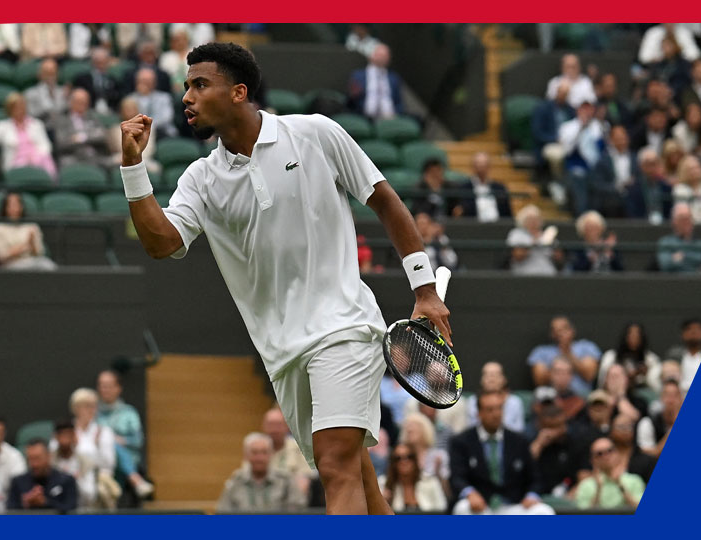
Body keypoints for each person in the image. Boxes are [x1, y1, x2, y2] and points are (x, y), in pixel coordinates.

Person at [119, 42, 452, 514]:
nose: (186, 98)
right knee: (356, 473)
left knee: (336, 466)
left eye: (199, 85)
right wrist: (133, 168)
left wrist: (424, 289)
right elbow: (161, 243)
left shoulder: (316, 134)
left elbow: (385, 202)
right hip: (282, 352)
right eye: (185, 87)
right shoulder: (200, 179)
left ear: (238, 92)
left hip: (345, 326)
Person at [449, 392, 553, 515]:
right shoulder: (461, 441)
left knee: (544, 511)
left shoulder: (519, 440)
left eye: (499, 408)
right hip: (481, 507)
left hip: (513, 507)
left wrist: (532, 495)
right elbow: (457, 477)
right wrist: (469, 493)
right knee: (463, 508)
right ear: (479, 414)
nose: (496, 414)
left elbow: (536, 478)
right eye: (490, 410)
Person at [96, 370, 154, 498]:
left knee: (112, 442)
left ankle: (130, 477)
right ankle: (135, 480)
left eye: (109, 386)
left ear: (118, 388)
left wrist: (122, 440)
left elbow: (138, 440)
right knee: (108, 441)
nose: (104, 390)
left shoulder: (129, 412)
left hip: (126, 462)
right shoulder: (93, 412)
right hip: (100, 461)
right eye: (102, 386)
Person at [216, 432, 307, 513]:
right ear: (246, 456)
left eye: (264, 452)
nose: (259, 458)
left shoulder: (285, 480)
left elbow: (297, 511)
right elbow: (223, 511)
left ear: (271, 454)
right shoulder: (236, 480)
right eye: (255, 453)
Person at [0, 92, 56, 178]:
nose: (20, 110)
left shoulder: (36, 124)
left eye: (22, 106)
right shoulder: (2, 126)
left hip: (38, 162)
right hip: (14, 165)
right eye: (16, 107)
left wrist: (35, 157)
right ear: (10, 110)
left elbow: (46, 146)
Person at [528, 316, 600, 396]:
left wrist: (567, 353)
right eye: (555, 330)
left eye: (564, 329)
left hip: (581, 397)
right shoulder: (541, 351)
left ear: (572, 331)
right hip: (551, 398)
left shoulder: (586, 347)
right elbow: (539, 381)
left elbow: (589, 375)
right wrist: (558, 372)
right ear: (551, 334)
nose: (560, 333)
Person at [528, 401, 588, 497]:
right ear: (540, 426)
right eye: (550, 427)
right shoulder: (534, 442)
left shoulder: (577, 442)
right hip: (539, 497)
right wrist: (539, 444)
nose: (555, 432)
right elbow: (524, 469)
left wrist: (571, 496)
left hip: (570, 496)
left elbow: (584, 476)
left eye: (559, 426)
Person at [559, 100, 605, 215]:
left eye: (590, 109)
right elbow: (566, 151)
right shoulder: (568, 127)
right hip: (575, 167)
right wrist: (581, 129)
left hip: (596, 169)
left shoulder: (599, 127)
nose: (587, 112)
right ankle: (582, 215)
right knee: (579, 179)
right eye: (584, 109)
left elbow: (601, 151)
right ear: (578, 110)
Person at [7, 439, 78, 512]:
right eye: (30, 459)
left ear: (48, 456)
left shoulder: (66, 481)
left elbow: (71, 511)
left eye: (37, 458)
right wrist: (25, 503)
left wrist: (45, 502)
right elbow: (9, 511)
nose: (34, 464)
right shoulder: (18, 482)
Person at [574, 437, 645, 510]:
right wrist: (598, 489)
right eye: (599, 454)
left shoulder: (634, 480)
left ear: (617, 453)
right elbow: (583, 517)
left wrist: (621, 486)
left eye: (609, 450)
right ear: (593, 460)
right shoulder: (585, 485)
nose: (605, 456)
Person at [0, 192, 55, 270]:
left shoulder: (32, 226)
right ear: (5, 208)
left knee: (49, 265)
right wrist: (24, 246)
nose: (14, 208)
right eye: (10, 205)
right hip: (10, 264)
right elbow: (1, 256)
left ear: (22, 206)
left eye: (17, 204)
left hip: (32, 261)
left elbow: (39, 253)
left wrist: (32, 243)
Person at [50, 420, 106, 509]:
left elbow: (90, 495)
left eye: (68, 435)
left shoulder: (86, 462)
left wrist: (74, 481)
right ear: (56, 437)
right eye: (62, 435)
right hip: (56, 510)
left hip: (81, 510)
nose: (65, 439)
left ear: (74, 436)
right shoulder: (49, 461)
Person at [379, 443, 447, 512]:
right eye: (398, 458)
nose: (404, 461)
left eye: (409, 457)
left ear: (415, 460)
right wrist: (383, 502)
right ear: (393, 463)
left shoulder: (430, 481)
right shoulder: (383, 484)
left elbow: (442, 509)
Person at [261, 407, 311, 497]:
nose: (274, 430)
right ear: (264, 426)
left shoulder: (299, 448)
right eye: (271, 425)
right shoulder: (256, 449)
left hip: (289, 500)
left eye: (278, 425)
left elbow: (304, 481)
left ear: (287, 426)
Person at [589, 125, 638, 218]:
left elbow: (639, 178)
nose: (622, 141)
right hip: (611, 200)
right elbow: (597, 184)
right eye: (618, 138)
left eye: (624, 138)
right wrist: (617, 187)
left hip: (632, 197)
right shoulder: (603, 161)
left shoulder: (635, 158)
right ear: (611, 140)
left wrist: (632, 183)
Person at [598, 323, 663, 392]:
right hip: (613, 393)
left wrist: (645, 374)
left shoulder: (650, 359)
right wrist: (626, 375)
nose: (634, 339)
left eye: (637, 336)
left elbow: (655, 386)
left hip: (641, 393)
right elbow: (601, 383)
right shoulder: (611, 356)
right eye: (631, 335)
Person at [54, 88, 110, 168]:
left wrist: (81, 138)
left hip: (95, 157)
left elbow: (102, 136)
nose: (83, 105)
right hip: (73, 157)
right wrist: (90, 137)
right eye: (79, 102)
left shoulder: (92, 117)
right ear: (71, 102)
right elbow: (61, 143)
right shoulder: (62, 120)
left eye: (85, 102)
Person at [348, 44, 405, 121]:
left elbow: (399, 102)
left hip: (390, 117)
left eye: (385, 55)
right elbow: (350, 101)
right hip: (364, 117)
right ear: (371, 56)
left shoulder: (393, 78)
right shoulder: (358, 75)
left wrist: (396, 113)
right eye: (379, 54)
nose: (382, 58)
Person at [464, 362, 525, 433]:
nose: (491, 378)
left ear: (504, 379)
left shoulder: (515, 402)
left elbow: (519, 431)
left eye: (496, 374)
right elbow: (471, 429)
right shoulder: (472, 401)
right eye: (487, 375)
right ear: (481, 380)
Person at [400, 413, 450, 496]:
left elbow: (447, 491)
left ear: (425, 429)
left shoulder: (439, 456)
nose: (409, 429)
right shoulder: (401, 457)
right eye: (407, 426)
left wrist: (438, 473)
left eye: (415, 425)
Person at [656, 203, 701, 273]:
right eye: (682, 219)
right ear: (674, 222)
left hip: (699, 281)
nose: (687, 222)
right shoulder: (666, 242)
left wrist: (680, 257)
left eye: (689, 218)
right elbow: (665, 265)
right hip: (674, 282)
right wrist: (696, 260)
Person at [532, 80, 576, 175]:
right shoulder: (543, 108)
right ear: (557, 92)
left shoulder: (571, 111)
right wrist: (555, 139)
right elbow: (537, 133)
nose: (563, 96)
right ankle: (558, 180)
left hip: (569, 144)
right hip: (548, 144)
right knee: (557, 155)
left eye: (566, 94)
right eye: (562, 93)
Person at [453, 153, 512, 222]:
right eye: (478, 165)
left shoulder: (499, 188)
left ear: (489, 167)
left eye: (484, 165)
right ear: (473, 167)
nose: (481, 168)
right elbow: (460, 211)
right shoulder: (464, 188)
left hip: (497, 226)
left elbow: (507, 213)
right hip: (473, 226)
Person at [505, 204, 561, 275]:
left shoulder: (546, 235)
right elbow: (518, 256)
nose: (534, 223)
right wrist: (535, 243)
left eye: (536, 219)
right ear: (523, 221)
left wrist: (553, 247)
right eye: (530, 220)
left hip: (548, 273)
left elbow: (559, 258)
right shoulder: (517, 234)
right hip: (526, 274)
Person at [108, 97, 159, 171]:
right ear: (121, 111)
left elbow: (149, 150)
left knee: (154, 167)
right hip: (121, 158)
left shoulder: (148, 127)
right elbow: (120, 149)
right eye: (127, 109)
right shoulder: (115, 129)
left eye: (132, 108)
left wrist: (136, 157)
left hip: (144, 159)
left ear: (137, 110)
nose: (129, 111)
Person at [636, 380, 682, 459]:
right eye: (667, 395)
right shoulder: (647, 423)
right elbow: (649, 455)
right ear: (661, 398)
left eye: (675, 395)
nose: (671, 400)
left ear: (681, 399)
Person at [128, 67, 178, 139]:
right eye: (143, 81)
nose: (145, 84)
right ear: (137, 82)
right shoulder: (131, 99)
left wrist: (147, 126)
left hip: (162, 134)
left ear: (155, 82)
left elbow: (166, 118)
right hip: (138, 133)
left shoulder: (164, 98)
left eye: (148, 81)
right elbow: (129, 118)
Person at [625, 147, 672, 222]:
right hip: (641, 227)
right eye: (648, 164)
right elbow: (632, 214)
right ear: (641, 166)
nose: (651, 168)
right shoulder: (633, 189)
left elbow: (669, 212)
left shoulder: (666, 187)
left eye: (654, 164)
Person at [73, 48, 122, 115]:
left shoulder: (113, 80)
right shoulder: (82, 79)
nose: (101, 66)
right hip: (88, 111)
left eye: (104, 63)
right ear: (93, 63)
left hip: (110, 111)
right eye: (98, 63)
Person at [665, 317, 701, 393]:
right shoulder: (674, 355)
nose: (693, 332)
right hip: (679, 397)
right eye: (689, 329)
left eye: (698, 329)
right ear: (682, 333)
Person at [609, 414, 655, 484]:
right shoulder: (603, 454)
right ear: (611, 430)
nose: (625, 431)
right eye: (621, 427)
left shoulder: (646, 460)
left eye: (629, 427)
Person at [23, 58, 67, 123]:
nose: (50, 77)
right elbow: (30, 117)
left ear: (57, 74)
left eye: (52, 73)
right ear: (39, 74)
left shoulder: (64, 92)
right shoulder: (29, 94)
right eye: (47, 73)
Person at [159, 26, 194, 95]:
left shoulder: (193, 53)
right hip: (171, 89)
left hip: (191, 86)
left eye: (182, 39)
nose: (180, 42)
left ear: (187, 40)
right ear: (172, 42)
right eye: (176, 40)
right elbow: (163, 77)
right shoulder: (166, 57)